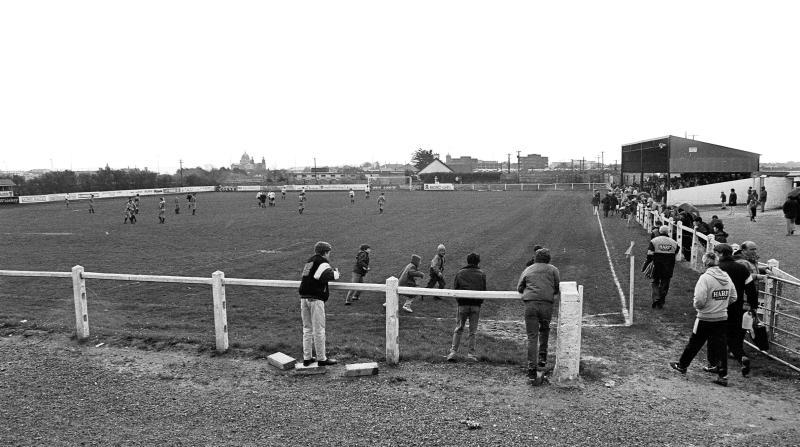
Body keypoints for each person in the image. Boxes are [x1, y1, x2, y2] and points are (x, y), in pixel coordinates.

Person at [670, 252, 736, 387]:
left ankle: (682, 365)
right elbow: (734, 296)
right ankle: (723, 375)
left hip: (705, 317)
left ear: (705, 263)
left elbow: (700, 300)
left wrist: (700, 307)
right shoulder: (727, 277)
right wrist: (721, 305)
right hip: (722, 317)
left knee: (694, 342)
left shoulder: (705, 278)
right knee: (721, 346)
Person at [708, 243, 758, 377]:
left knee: (716, 336)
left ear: (720, 254)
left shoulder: (717, 269)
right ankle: (742, 357)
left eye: (716, 254)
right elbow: (751, 289)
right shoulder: (742, 268)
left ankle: (716, 365)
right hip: (737, 307)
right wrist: (753, 306)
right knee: (733, 337)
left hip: (719, 306)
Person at [517, 248, 560, 386]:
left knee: (532, 337)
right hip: (547, 304)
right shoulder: (553, 270)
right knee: (545, 330)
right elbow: (557, 287)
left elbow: (519, 287)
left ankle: (531, 367)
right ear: (548, 258)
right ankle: (542, 358)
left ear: (536, 258)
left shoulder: (528, 269)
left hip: (530, 305)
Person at [298, 241, 340, 367]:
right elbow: (325, 275)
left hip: (304, 297)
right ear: (326, 252)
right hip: (315, 299)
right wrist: (337, 273)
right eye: (329, 253)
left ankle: (307, 358)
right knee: (319, 330)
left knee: (307, 329)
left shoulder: (309, 261)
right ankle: (321, 359)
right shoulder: (323, 262)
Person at [446, 252, 487, 362]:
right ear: (478, 262)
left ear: (467, 261)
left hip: (463, 305)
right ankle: (471, 354)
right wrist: (479, 302)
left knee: (459, 328)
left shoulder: (460, 273)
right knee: (473, 331)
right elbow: (484, 289)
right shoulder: (482, 274)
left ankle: (453, 352)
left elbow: (456, 289)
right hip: (475, 306)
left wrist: (460, 301)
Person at [642, 225, 679, 309]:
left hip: (656, 265)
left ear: (660, 232)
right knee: (665, 283)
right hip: (669, 266)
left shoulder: (654, 241)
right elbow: (676, 252)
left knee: (655, 281)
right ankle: (661, 301)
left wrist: (647, 263)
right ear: (668, 232)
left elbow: (650, 254)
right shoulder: (674, 242)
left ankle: (656, 298)